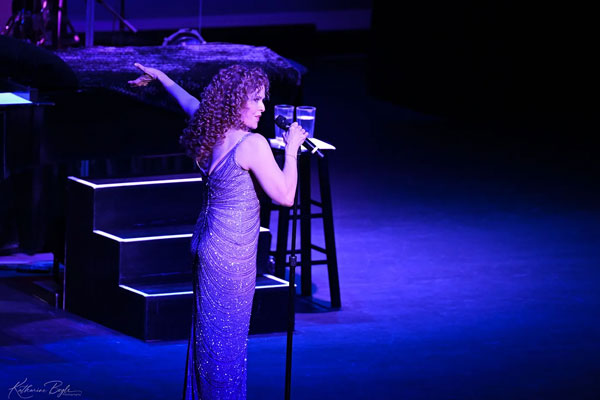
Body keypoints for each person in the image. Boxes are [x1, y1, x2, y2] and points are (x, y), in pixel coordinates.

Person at [129, 63, 307, 400]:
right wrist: (293, 149)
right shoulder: (252, 144)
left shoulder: (211, 126)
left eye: (263, 100)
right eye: (255, 100)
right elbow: (285, 196)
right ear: (235, 101)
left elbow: (188, 102)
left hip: (206, 245)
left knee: (207, 342)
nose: (262, 108)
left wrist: (163, 78)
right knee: (227, 348)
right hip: (230, 256)